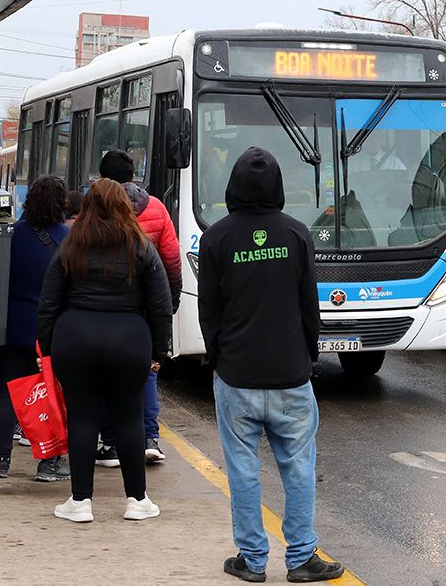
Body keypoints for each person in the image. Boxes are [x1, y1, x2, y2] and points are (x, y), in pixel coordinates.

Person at [198, 147, 345, 583]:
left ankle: (253, 560)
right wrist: (308, 355)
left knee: (242, 470)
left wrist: (218, 358)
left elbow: (210, 310)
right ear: (279, 186)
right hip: (290, 374)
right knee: (299, 468)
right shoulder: (297, 234)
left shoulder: (216, 239)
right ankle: (300, 559)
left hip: (237, 376)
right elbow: (309, 306)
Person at [36, 178, 172, 523]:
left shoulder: (70, 246)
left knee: (82, 417)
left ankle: (80, 502)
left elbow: (49, 302)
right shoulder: (140, 245)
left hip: (75, 339)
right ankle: (137, 500)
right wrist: (159, 351)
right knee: (128, 417)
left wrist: (48, 347)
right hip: (129, 341)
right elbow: (160, 304)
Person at [98, 150, 181, 465]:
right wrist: (170, 302)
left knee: (105, 374)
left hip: (106, 305)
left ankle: (110, 443)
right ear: (133, 176)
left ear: (102, 177)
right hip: (146, 306)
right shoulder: (157, 208)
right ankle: (149, 437)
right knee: (146, 372)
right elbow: (171, 260)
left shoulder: (96, 209)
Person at [0, 176, 71, 482]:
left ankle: (0, 459)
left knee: (8, 391)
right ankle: (48, 461)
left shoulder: (10, 236)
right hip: (50, 329)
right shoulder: (69, 238)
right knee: (49, 393)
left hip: (11, 324)